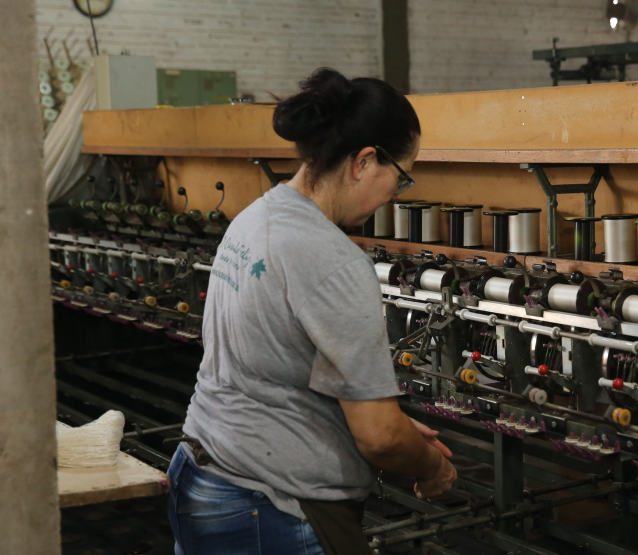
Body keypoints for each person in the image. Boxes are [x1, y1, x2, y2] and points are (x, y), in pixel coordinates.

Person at [167, 67, 457, 555]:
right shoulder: (334, 261)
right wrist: (433, 468)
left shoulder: (253, 218)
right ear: (365, 161)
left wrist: (397, 426)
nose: (394, 194)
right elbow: (380, 439)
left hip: (201, 476)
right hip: (269, 507)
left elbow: (277, 372)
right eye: (401, 177)